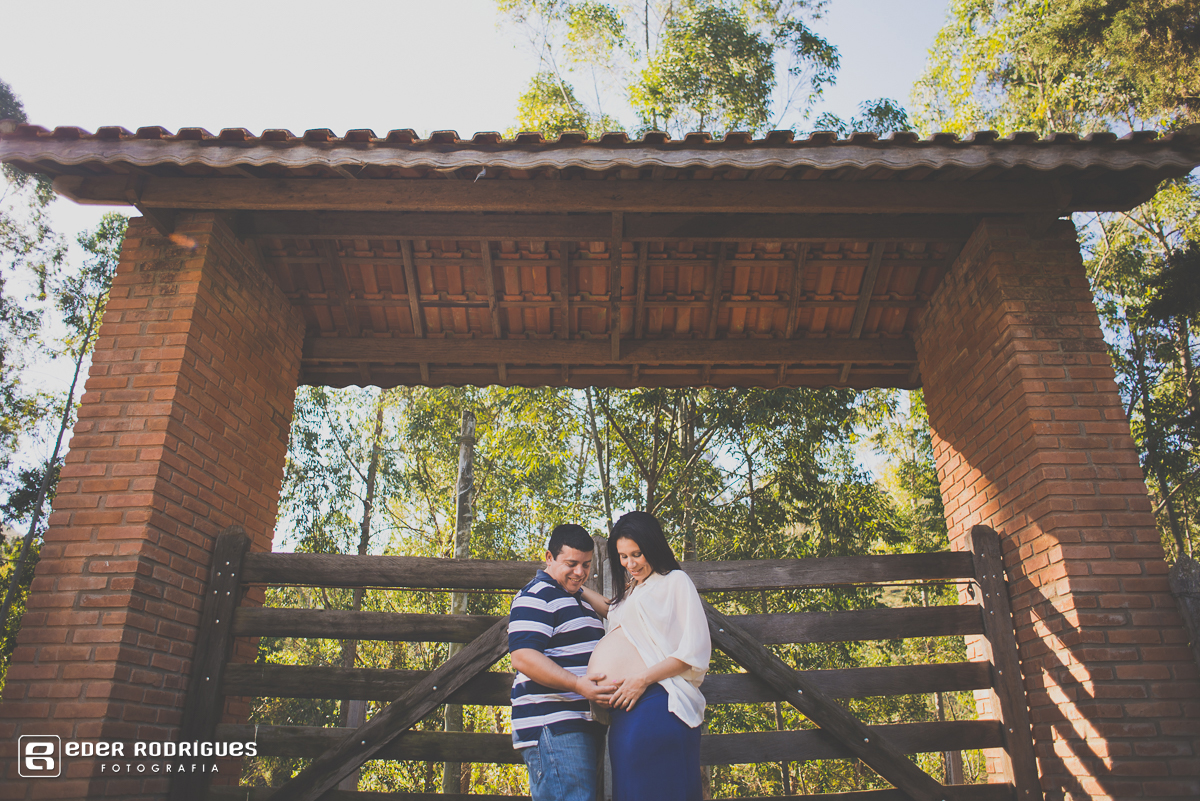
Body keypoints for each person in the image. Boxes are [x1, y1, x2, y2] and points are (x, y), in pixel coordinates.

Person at [586, 511, 711, 801]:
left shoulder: (675, 582)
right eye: (623, 556)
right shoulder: (635, 590)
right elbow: (613, 610)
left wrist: (641, 679)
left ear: (653, 546)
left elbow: (693, 652)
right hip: (626, 714)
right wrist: (577, 589)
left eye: (637, 554)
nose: (630, 564)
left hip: (658, 704)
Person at [509, 524, 616, 801]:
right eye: (571, 563)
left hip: (580, 724)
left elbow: (614, 611)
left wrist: (578, 590)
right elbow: (523, 657)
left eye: (586, 564)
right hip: (555, 725)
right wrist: (579, 685)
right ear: (548, 558)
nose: (580, 572)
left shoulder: (573, 598)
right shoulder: (537, 596)